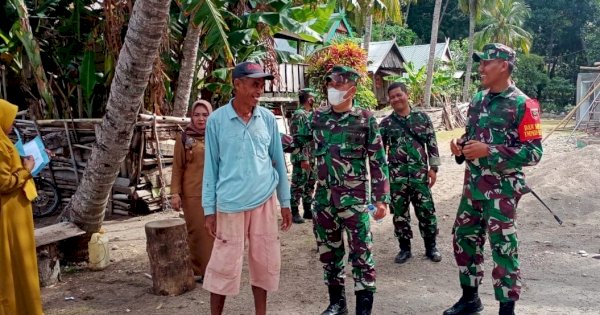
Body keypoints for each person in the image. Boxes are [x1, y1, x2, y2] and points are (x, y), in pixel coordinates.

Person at [444, 43, 543, 315]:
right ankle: (470, 299)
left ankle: (506, 308)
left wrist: (490, 151)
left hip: (502, 192)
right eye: (481, 62)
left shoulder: (524, 104)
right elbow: (472, 136)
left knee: (503, 247)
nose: (481, 68)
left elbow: (534, 153)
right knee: (464, 239)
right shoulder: (478, 99)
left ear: (504, 65)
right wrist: (460, 146)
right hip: (472, 187)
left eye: (486, 62)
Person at [285, 65, 390, 315]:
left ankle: (363, 310)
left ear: (351, 89)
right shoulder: (317, 117)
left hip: (354, 201)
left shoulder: (365, 119)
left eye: (337, 84)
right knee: (329, 253)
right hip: (324, 200)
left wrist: (381, 199)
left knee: (361, 254)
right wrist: (268, 135)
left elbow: (378, 161)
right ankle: (337, 303)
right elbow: (297, 142)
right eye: (329, 84)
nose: (331, 88)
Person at [201, 61, 292, 315]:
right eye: (254, 84)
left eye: (261, 84)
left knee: (262, 262)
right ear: (237, 84)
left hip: (264, 200)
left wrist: (284, 202)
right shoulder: (217, 121)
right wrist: (209, 209)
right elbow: (210, 168)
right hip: (229, 203)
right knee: (224, 265)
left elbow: (278, 161)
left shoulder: (267, 119)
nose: (259, 90)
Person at [379, 82, 442, 264]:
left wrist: (434, 168)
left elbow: (432, 144)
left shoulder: (422, 118)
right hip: (396, 178)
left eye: (399, 95)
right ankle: (404, 249)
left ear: (407, 95)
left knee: (426, 212)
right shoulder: (386, 124)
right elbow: (380, 154)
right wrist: (383, 179)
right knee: (399, 214)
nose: (396, 99)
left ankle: (431, 247)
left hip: (420, 176)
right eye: (392, 97)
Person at [0, 99, 43, 315]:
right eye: (10, 117)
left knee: (22, 265)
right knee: (13, 265)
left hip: (17, 211)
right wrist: (26, 170)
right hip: (8, 215)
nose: (12, 122)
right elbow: (4, 182)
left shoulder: (3, 140)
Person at [170, 99, 213, 282]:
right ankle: (200, 271)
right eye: (197, 115)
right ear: (191, 116)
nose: (201, 119)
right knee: (197, 233)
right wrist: (175, 193)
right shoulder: (184, 138)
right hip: (193, 194)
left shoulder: (217, 135)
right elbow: (177, 167)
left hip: (215, 193)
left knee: (214, 233)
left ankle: (214, 269)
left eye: (205, 115)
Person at [289, 88, 317, 223]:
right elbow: (298, 139)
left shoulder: (310, 114)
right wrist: (303, 157)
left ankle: (307, 209)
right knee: (298, 184)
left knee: (310, 183)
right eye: (313, 97)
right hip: (302, 156)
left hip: (312, 155)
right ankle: (294, 211)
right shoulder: (299, 115)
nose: (315, 100)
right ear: (309, 99)